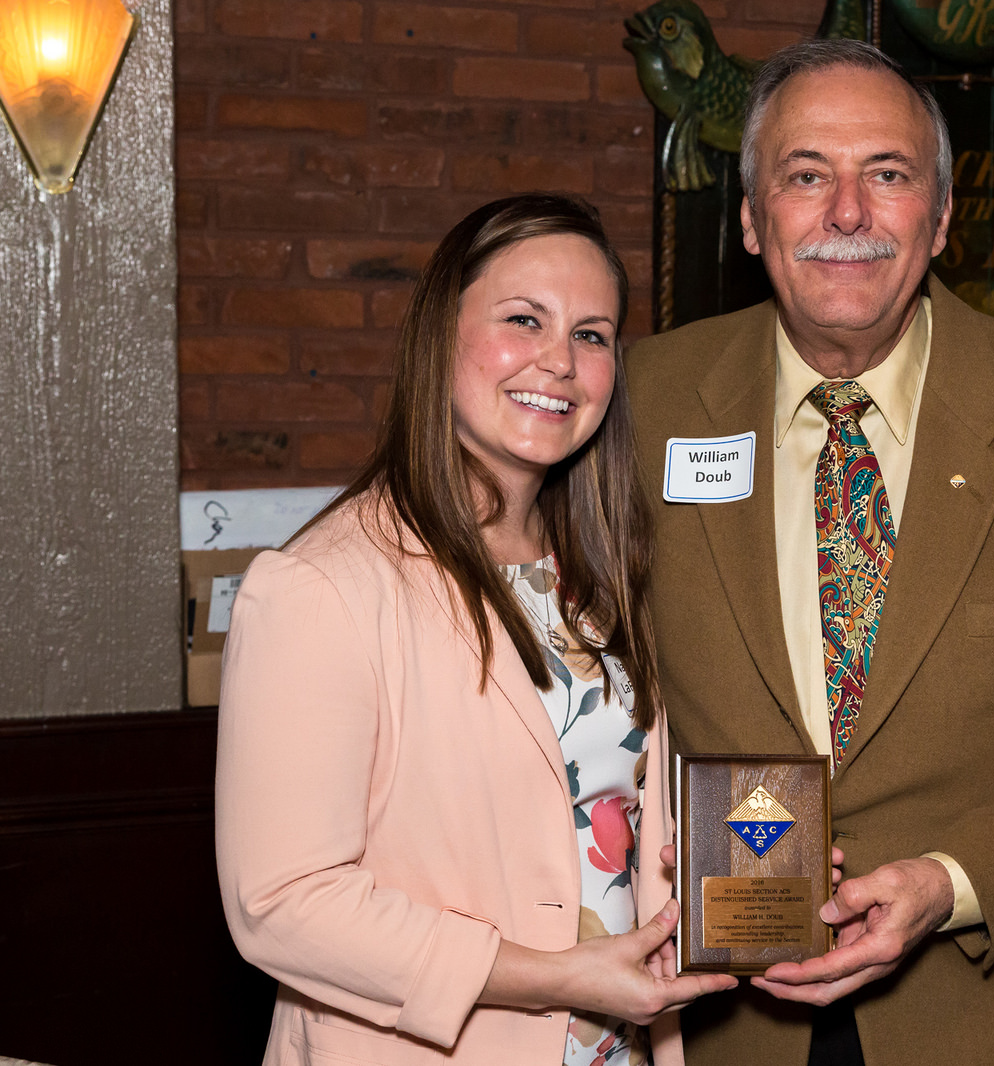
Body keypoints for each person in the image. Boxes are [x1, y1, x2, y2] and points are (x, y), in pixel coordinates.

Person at [625, 40, 994, 1066]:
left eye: (887, 174)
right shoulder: (641, 403)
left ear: (939, 218)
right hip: (721, 1021)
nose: (848, 213)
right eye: (806, 175)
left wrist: (952, 880)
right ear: (752, 218)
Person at [215, 194, 736, 1066]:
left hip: (618, 1046)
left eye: (591, 335)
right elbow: (283, 904)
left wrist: (748, 867)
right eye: (524, 320)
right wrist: (555, 976)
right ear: (440, 334)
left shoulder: (599, 576)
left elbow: (597, 810)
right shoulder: (318, 587)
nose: (559, 361)